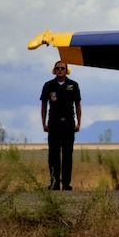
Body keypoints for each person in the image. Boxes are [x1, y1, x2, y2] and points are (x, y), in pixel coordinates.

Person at [40, 61, 82, 190]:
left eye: (62, 68)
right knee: (53, 155)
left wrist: (79, 122)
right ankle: (54, 183)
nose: (60, 70)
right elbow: (44, 105)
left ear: (66, 70)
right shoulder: (48, 85)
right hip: (54, 123)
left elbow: (78, 105)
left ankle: (66, 183)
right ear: (54, 70)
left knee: (67, 155)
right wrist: (44, 123)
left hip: (69, 123)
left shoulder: (73, 85)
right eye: (57, 68)